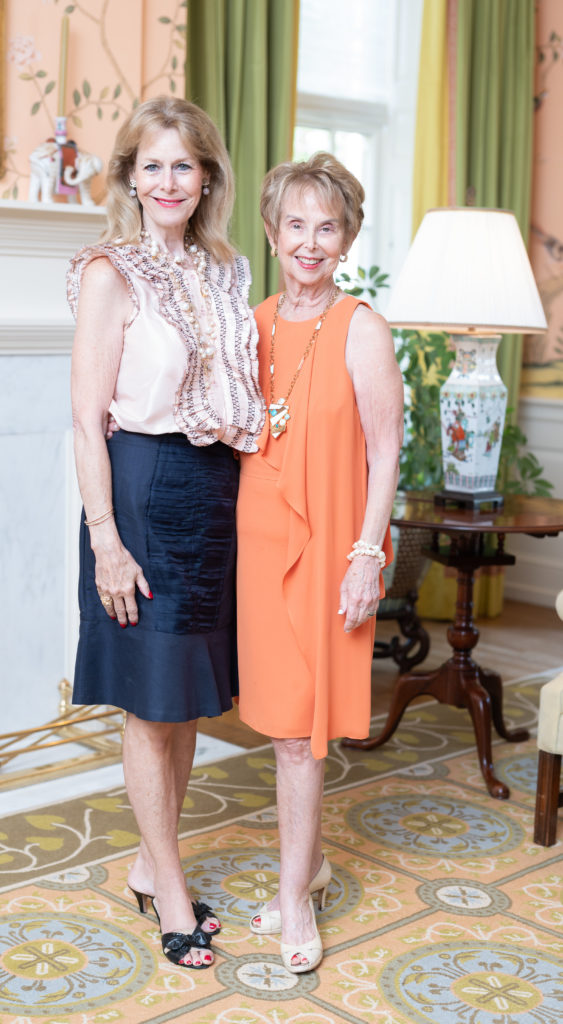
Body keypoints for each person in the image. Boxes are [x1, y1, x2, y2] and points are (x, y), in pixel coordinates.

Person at [68, 96, 264, 970]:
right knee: (150, 710)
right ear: (129, 178)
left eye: (183, 164)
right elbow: (83, 421)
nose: (167, 181)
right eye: (151, 165)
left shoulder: (228, 271)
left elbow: (240, 397)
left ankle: (155, 864)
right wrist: (106, 539)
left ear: (208, 176)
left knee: (183, 701)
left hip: (214, 492)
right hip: (141, 494)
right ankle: (171, 895)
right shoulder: (111, 273)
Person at [236, 153, 403, 973]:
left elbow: (385, 451)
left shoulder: (359, 326)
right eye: (294, 224)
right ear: (271, 234)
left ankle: (294, 895)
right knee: (278, 731)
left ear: (346, 239)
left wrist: (366, 554)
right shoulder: (253, 321)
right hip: (258, 549)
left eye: (326, 226)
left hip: (333, 546)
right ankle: (310, 867)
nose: (309, 240)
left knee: (304, 735)